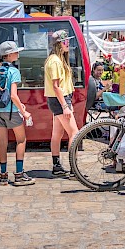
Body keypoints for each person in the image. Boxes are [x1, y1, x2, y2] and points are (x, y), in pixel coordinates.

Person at [0, 41, 35, 186]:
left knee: (2, 142)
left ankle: (3, 176)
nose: (18, 53)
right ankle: (19, 174)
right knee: (21, 140)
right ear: (9, 55)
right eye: (16, 52)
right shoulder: (13, 71)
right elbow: (14, 96)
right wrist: (24, 112)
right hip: (11, 111)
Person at [44, 29, 79, 177]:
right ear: (60, 43)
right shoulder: (56, 61)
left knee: (57, 133)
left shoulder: (55, 59)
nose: (68, 43)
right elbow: (56, 86)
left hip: (58, 99)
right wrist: (65, 105)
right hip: (60, 100)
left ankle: (57, 165)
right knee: (74, 133)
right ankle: (73, 169)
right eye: (66, 41)